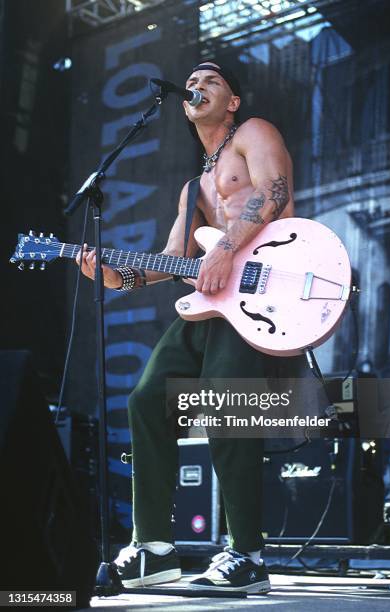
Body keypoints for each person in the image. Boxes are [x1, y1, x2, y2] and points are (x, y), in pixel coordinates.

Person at [78, 61, 298, 593]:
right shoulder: (192, 186)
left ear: (233, 102)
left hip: (261, 294)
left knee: (226, 402)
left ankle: (248, 553)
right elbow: (174, 258)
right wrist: (117, 275)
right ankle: (154, 548)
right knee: (148, 399)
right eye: (193, 83)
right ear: (182, 105)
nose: (198, 87)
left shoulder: (254, 132)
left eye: (212, 82)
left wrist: (225, 247)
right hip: (210, 303)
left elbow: (274, 193)